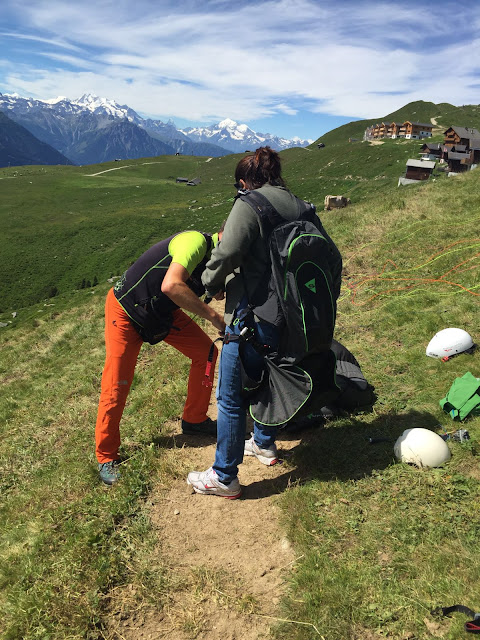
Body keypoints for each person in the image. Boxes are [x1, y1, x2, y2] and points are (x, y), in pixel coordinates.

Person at [187, 146, 341, 498]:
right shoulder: (301, 206)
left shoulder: (249, 203)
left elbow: (227, 252)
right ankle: (265, 443)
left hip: (252, 317)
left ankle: (224, 475)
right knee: (272, 376)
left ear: (244, 181)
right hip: (294, 316)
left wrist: (210, 285)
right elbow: (334, 257)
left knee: (230, 396)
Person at [95, 229, 226, 485]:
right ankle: (106, 455)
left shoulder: (215, 261)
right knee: (117, 384)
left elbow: (215, 291)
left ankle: (194, 419)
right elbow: (171, 285)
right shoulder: (195, 242)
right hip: (126, 310)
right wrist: (213, 316)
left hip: (161, 311)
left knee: (206, 352)